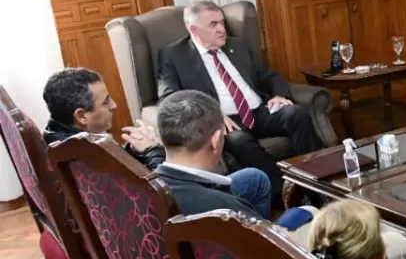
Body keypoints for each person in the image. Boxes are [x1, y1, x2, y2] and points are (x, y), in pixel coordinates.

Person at [154, 91, 406, 259]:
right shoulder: (226, 214)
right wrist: (280, 234)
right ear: (215, 141)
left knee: (305, 209)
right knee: (398, 245)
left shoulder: (151, 187)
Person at [42, 67, 271, 218]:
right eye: (106, 102)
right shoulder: (85, 157)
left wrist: (132, 152)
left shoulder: (61, 142)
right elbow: (160, 195)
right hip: (159, 218)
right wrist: (154, 151)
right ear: (81, 115)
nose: (114, 106)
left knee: (254, 178)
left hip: (142, 211)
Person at [157, 0, 321, 198]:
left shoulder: (238, 46)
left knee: (296, 113)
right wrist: (211, 115)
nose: (221, 29)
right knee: (239, 140)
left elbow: (268, 76)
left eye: (222, 22)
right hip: (224, 120)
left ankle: (315, 183)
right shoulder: (173, 56)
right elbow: (170, 98)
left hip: (259, 111)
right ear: (194, 29)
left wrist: (279, 95)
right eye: (213, 24)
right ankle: (288, 193)